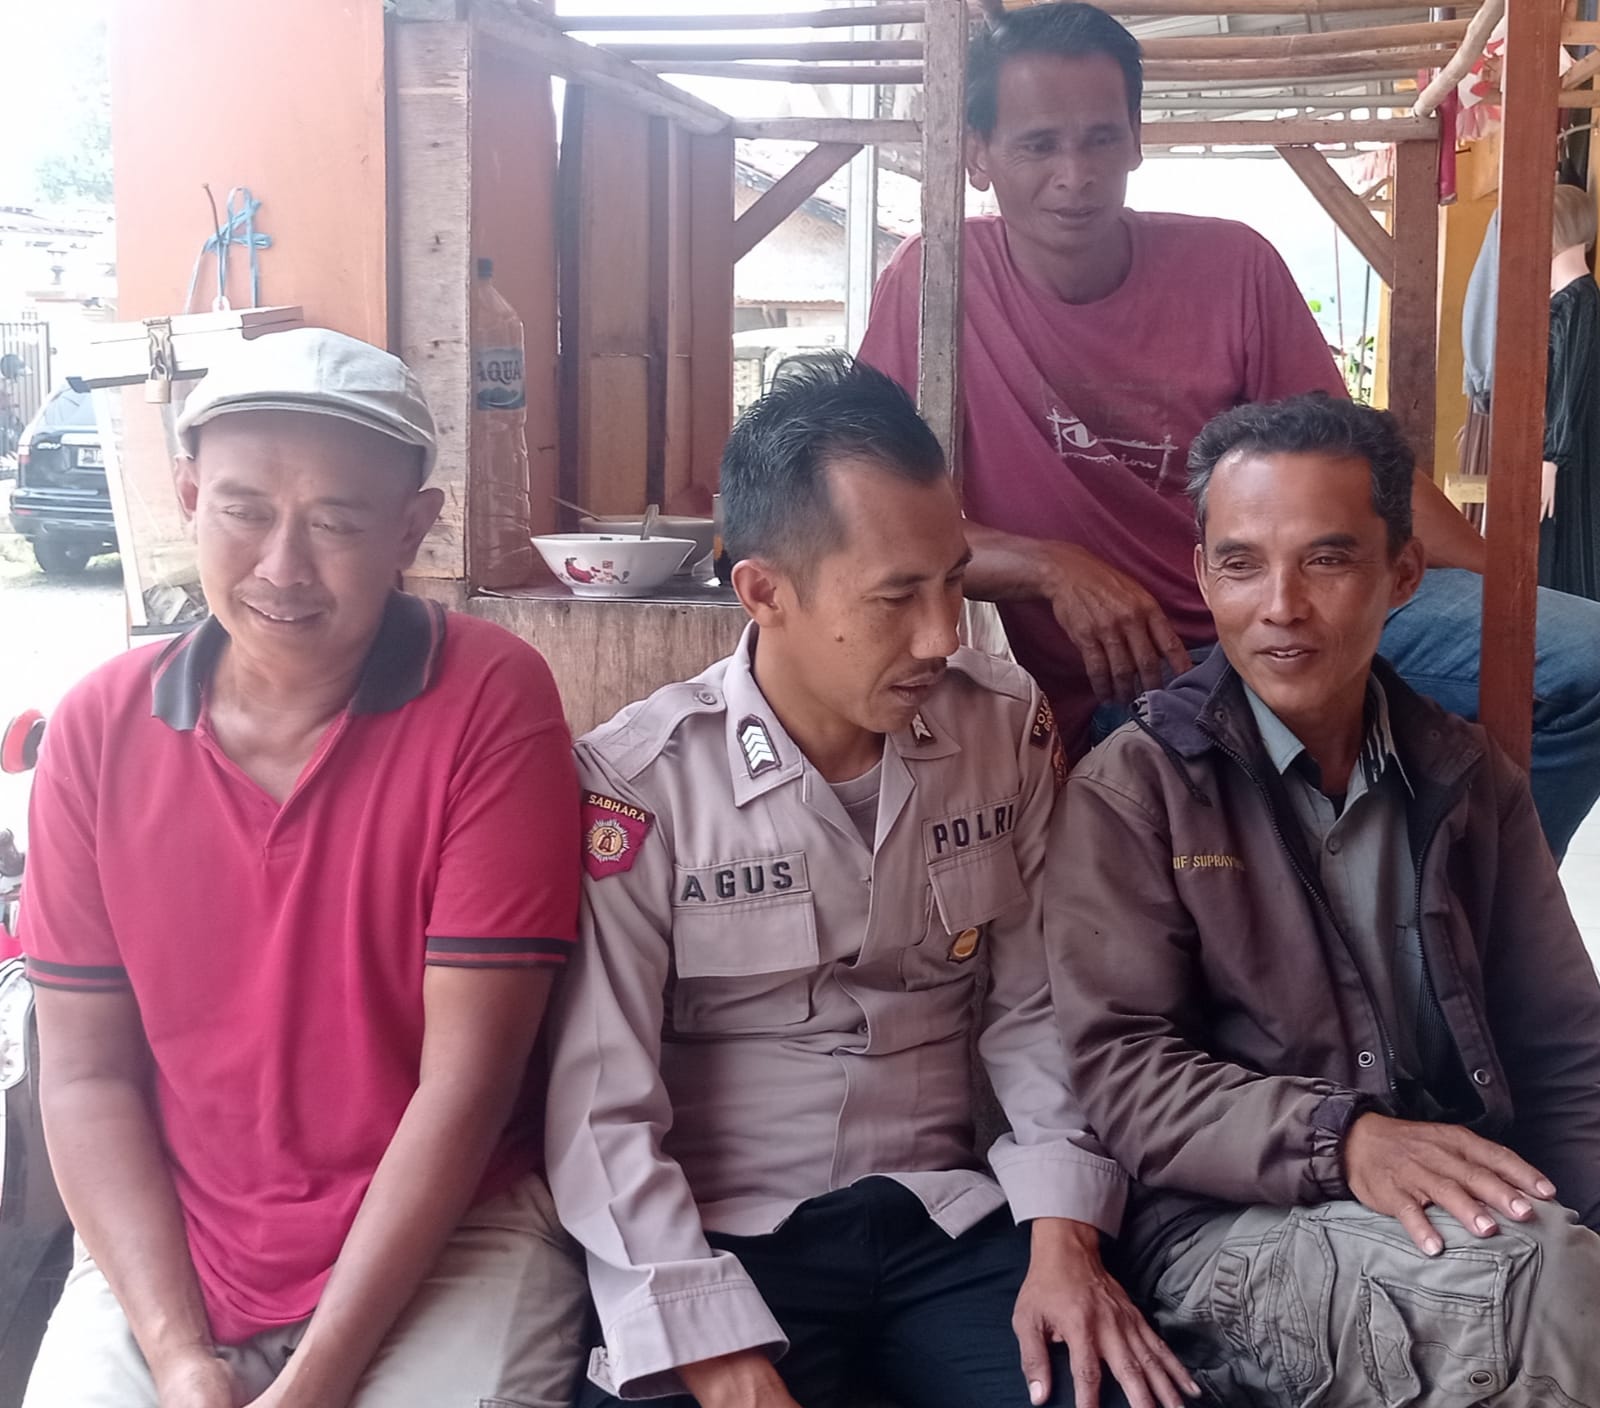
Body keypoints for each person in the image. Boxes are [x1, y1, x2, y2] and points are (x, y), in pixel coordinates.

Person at [545, 357, 1195, 1408]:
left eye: (954, 582)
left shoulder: (1001, 729)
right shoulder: (641, 786)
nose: (942, 635)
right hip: (724, 1240)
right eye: (897, 597)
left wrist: (1065, 1236)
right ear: (765, 591)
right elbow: (598, 1107)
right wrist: (713, 1349)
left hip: (948, 1223)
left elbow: (1041, 1011)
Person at [857, 0, 1600, 861]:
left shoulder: (1232, 266)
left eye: (1101, 139)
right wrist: (1051, 567)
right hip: (1132, 683)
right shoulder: (934, 282)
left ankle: (1464, 903)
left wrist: (1507, 596)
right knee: (1214, 884)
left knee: (1583, 659)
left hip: (1292, 614)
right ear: (977, 156)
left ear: (1137, 142)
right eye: (1038, 144)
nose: (1075, 174)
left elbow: (1356, 463)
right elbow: (876, 520)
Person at [18, 328, 589, 1408]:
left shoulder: (488, 697)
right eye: (243, 511)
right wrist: (177, 1354)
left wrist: (316, 1381)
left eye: (337, 522)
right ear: (189, 497)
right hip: (175, 1237)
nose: (282, 566)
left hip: (450, 1227)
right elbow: (85, 1075)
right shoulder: (98, 728)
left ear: (411, 528)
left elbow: (467, 1081)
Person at [1047, 393, 1600, 1404]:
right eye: (1241, 564)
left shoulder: (1467, 777)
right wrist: (1341, 1141)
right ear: (1202, 574)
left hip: (1459, 1194)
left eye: (1327, 560)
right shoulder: (1139, 787)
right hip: (1223, 1228)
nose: (1281, 606)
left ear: (1402, 575)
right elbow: (1121, 1071)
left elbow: (1561, 1043)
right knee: (1529, 1288)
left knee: (1553, 1275)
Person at [1540, 183, 1600, 601]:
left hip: (1571, 452)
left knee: (1570, 547)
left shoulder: (1579, 302)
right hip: (1563, 448)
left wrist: (1553, 458)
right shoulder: (1569, 299)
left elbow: (1570, 384)